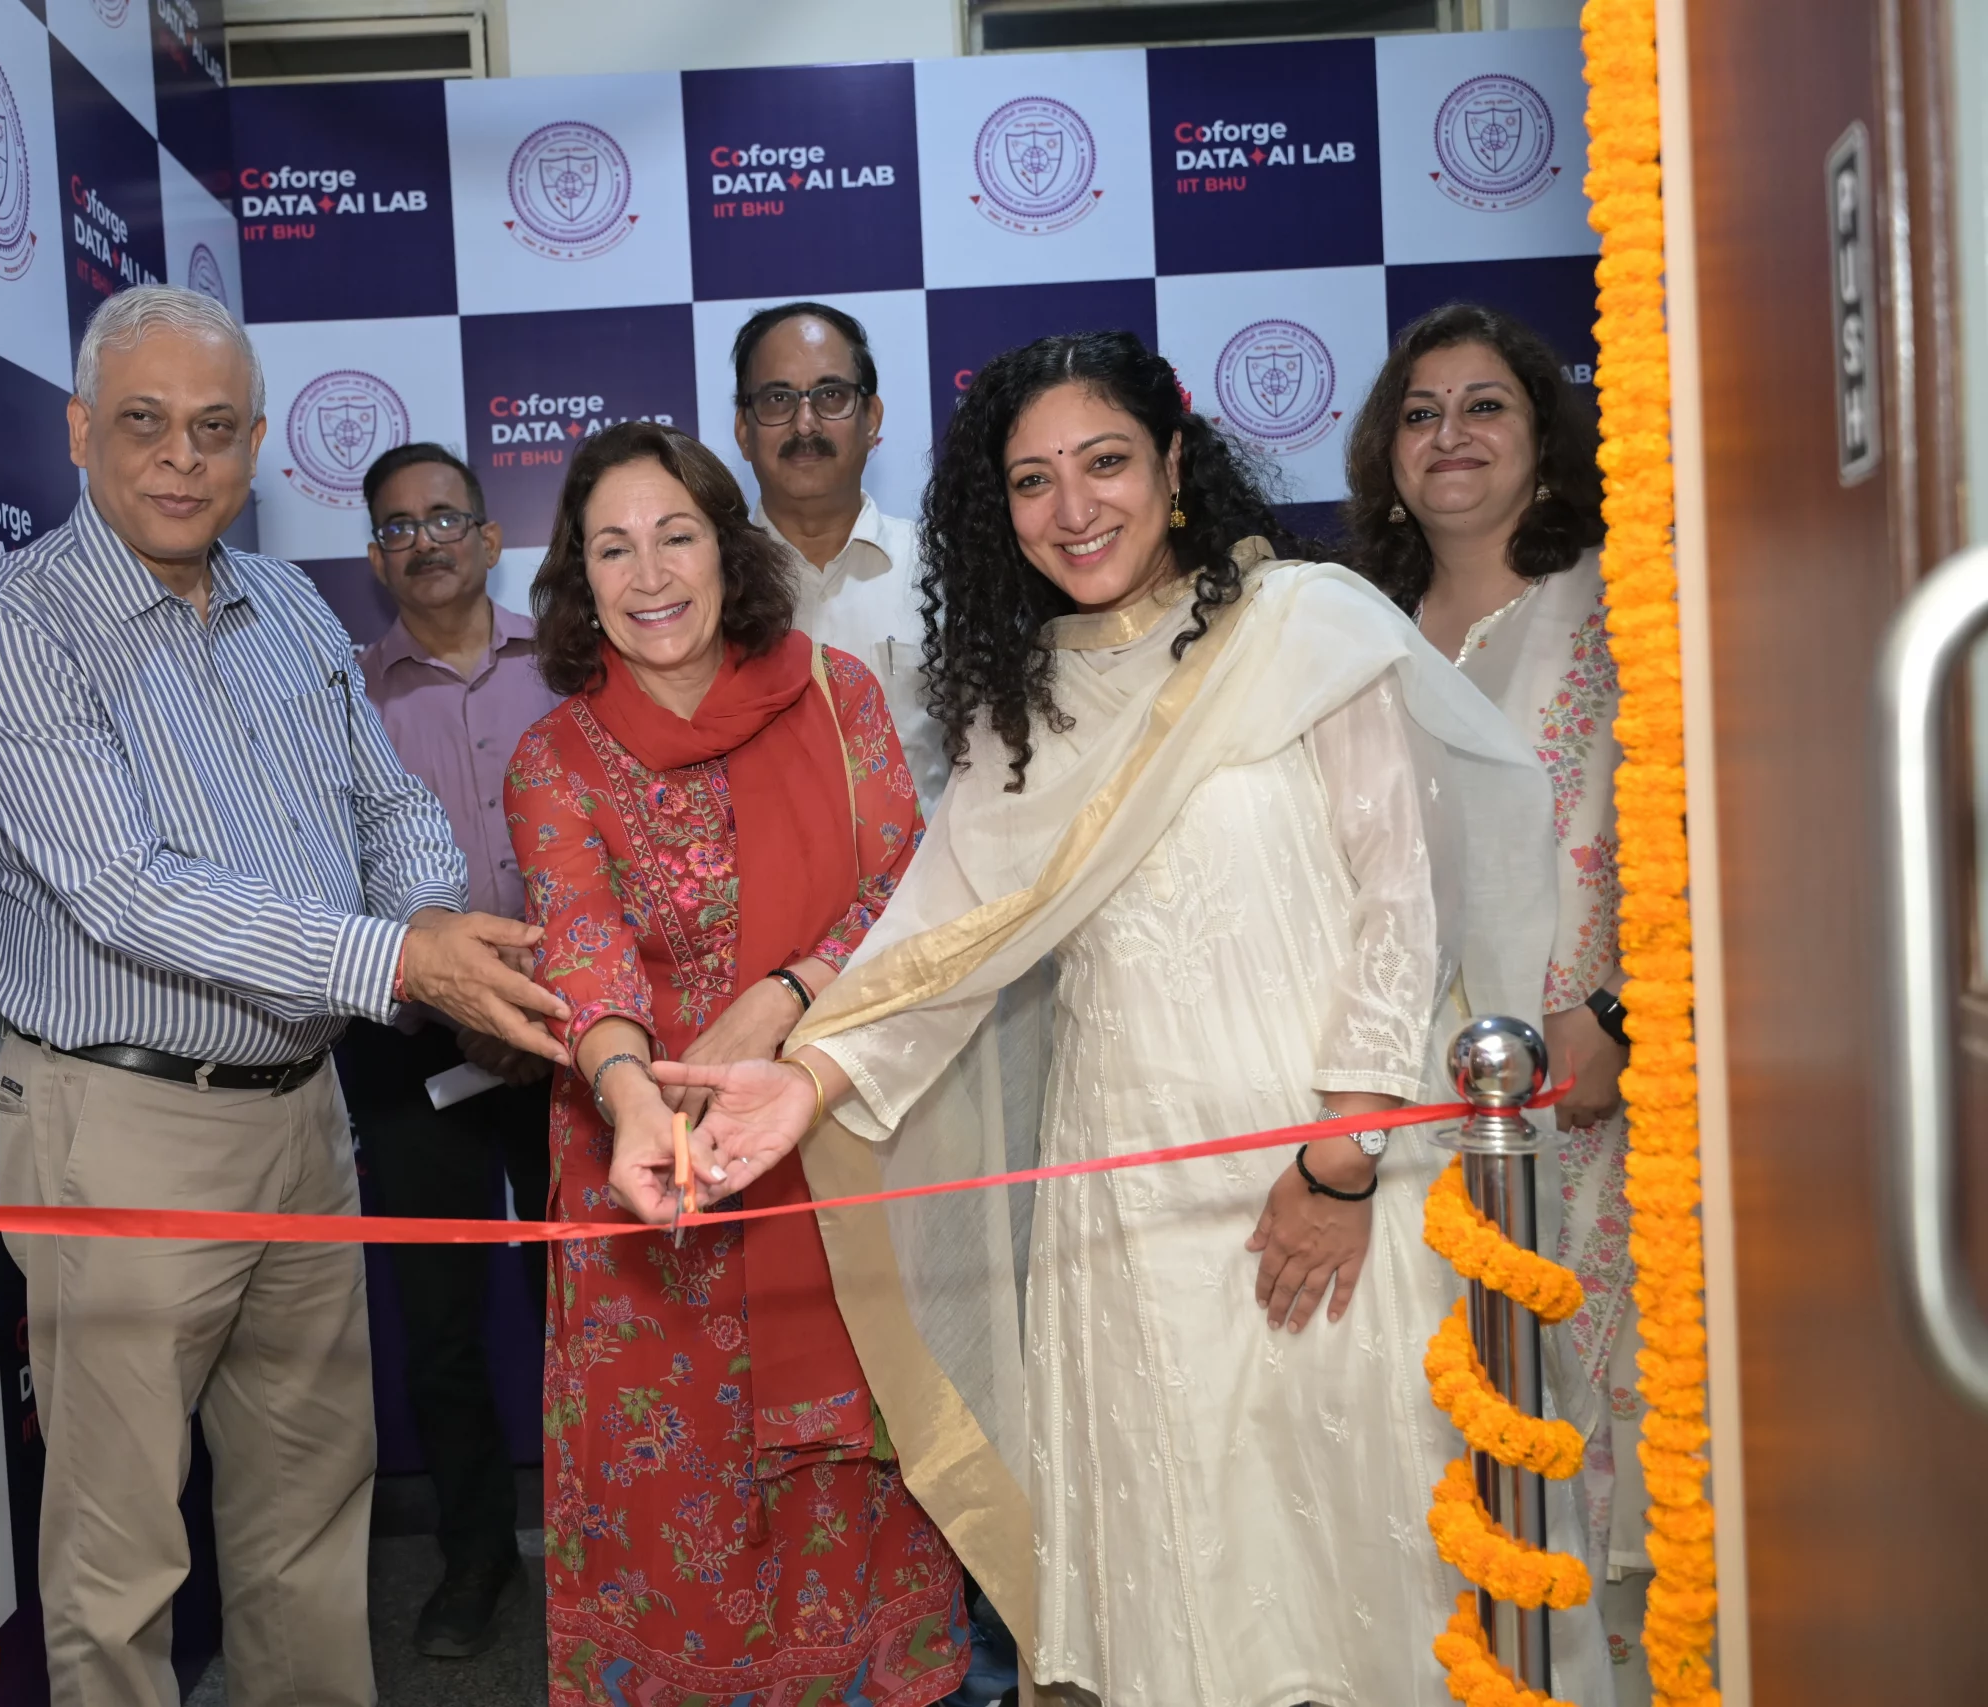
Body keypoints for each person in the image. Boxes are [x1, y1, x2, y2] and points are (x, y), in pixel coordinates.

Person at [654, 331, 1584, 1706]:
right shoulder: (1022, 708)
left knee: (1367, 1560)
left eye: (1105, 463)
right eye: (1033, 481)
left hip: (1333, 1169)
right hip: (1130, 1205)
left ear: (1174, 465)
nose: (1073, 508)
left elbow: (1405, 907)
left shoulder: (1307, 624)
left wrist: (1343, 1159)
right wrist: (807, 1079)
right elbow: (941, 938)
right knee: (1188, 1584)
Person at [0, 285, 568, 1707]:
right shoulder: (14, 627)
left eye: (215, 428)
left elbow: (386, 805)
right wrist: (396, 962)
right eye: (145, 423)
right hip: (122, 1126)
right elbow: (126, 891)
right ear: (80, 431)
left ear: (258, 446)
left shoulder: (287, 603)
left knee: (310, 1506)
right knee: (119, 1553)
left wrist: (429, 914)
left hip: (302, 1115)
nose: (182, 458)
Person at [504, 421, 966, 1704]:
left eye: (676, 536)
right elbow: (582, 952)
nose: (650, 575)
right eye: (612, 548)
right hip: (650, 1184)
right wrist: (631, 1095)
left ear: (728, 547)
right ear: (578, 576)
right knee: (675, 1513)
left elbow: (906, 891)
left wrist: (780, 997)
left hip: (832, 1139)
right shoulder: (554, 757)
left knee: (856, 1497)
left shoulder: (836, 696)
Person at [1342, 303, 1642, 1596]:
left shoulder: (1624, 604)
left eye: (1484, 406)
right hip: (1421, 1112)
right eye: (1420, 413)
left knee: (1599, 1451)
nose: (1449, 433)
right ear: (1386, 456)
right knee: (1456, 1447)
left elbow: (1720, 826)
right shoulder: (1360, 635)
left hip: (1601, 1093)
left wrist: (1623, 1017)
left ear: (1543, 436)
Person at [337, 440, 559, 1658]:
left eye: (443, 518)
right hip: (413, 1048)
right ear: (376, 558)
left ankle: (605, 1546)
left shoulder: (573, 666)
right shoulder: (344, 698)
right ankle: (476, 1564)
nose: (422, 540)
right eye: (396, 526)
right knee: (440, 1323)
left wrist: (541, 1011)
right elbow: (339, 875)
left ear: (487, 537)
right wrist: (460, 1004)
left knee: (590, 1307)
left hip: (573, 1039)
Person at [731, 301, 947, 814]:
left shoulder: (946, 571)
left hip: (928, 866)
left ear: (872, 419)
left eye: (831, 395)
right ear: (743, 430)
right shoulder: (706, 586)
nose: (805, 424)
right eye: (778, 398)